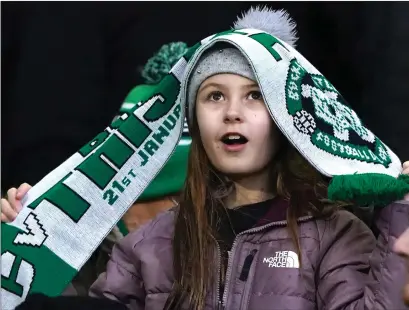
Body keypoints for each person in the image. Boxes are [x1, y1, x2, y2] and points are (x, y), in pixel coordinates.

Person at [2, 7, 409, 310]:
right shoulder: (147, 244)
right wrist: (31, 243)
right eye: (214, 96)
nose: (232, 112)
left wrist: (400, 217)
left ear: (286, 118)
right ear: (193, 123)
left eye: (254, 96)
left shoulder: (334, 235)